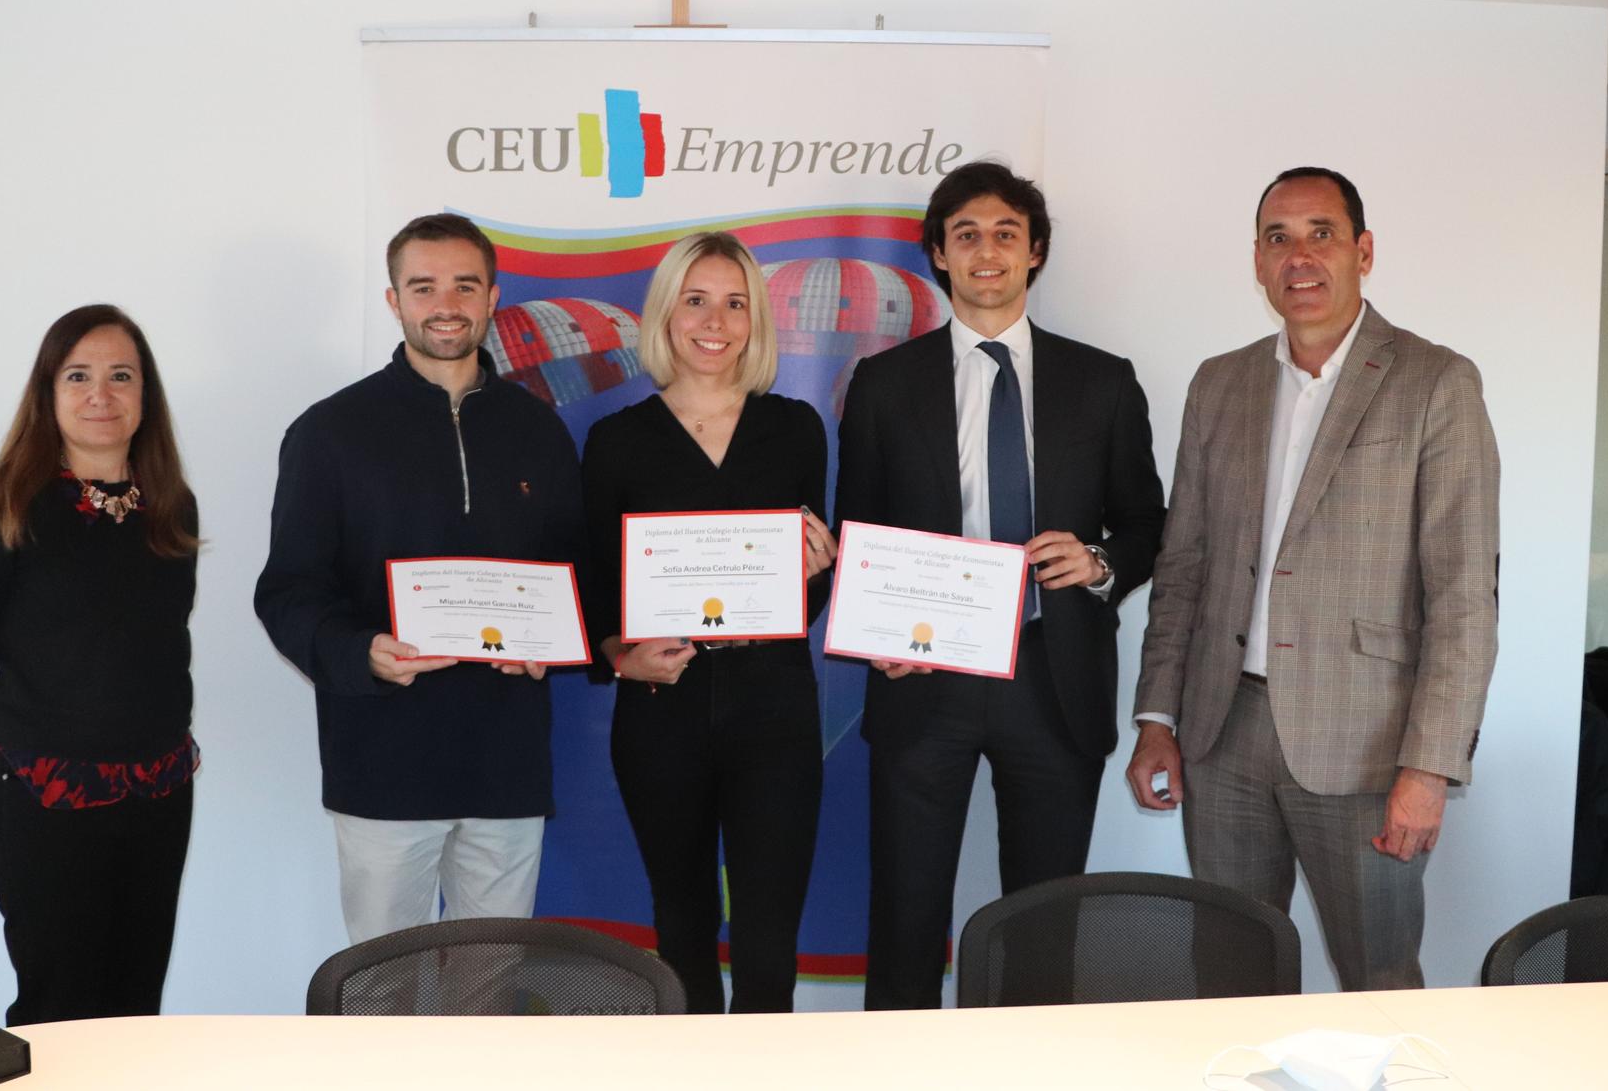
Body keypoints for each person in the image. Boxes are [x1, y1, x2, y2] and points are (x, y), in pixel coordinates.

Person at [1127, 166, 1500, 992]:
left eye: (1321, 233)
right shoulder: (1218, 384)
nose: (1300, 256)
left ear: (1363, 251)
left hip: (1368, 746)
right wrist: (1157, 715)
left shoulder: (1436, 382)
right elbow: (1182, 563)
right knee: (1226, 970)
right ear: (1258, 264)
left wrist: (1429, 766)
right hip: (1222, 733)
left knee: (1380, 976)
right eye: (1278, 238)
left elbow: (1466, 596)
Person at [836, 161, 1167, 1009]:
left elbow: (1148, 523)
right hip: (923, 680)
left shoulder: (1103, 380)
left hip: (1052, 674)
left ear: (1036, 252)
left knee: (1042, 921)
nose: (987, 251)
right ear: (939, 256)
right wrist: (877, 639)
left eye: (1006, 234)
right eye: (966, 235)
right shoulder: (883, 383)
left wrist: (1099, 565)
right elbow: (857, 534)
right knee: (907, 914)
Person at [255, 213, 586, 943]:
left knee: (490, 988)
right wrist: (360, 648)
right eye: (424, 286)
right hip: (383, 762)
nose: (446, 304)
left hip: (507, 767)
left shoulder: (540, 431)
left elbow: (577, 574)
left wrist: (558, 639)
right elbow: (287, 591)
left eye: (465, 285)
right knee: (380, 992)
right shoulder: (330, 431)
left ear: (493, 296)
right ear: (393, 299)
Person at [581, 231, 838, 1014]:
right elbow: (595, 590)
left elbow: (806, 599)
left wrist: (814, 573)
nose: (714, 320)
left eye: (734, 302)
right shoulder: (617, 440)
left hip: (775, 709)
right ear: (666, 314)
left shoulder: (796, 428)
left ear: (757, 319)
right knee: (682, 929)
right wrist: (621, 656)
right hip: (663, 710)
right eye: (695, 300)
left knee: (769, 944)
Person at [0, 304, 201, 1023]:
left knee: (136, 1008)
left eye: (121, 376)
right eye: (77, 375)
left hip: (159, 793)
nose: (100, 395)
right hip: (43, 800)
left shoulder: (172, 507)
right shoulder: (3, 507)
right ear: (48, 392)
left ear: (146, 395)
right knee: (61, 1012)